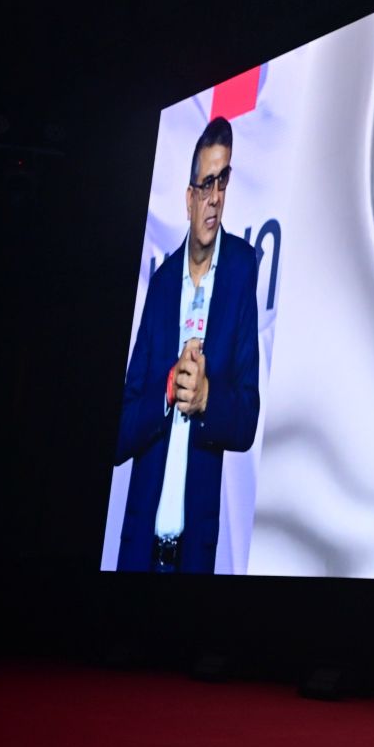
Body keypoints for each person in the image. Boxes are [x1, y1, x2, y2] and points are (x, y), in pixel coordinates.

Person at [112, 116, 261, 574]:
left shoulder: (241, 270)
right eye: (207, 184)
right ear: (189, 197)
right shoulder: (160, 284)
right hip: (139, 554)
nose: (216, 197)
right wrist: (168, 390)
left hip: (193, 558)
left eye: (223, 180)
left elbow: (246, 419)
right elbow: (119, 433)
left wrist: (207, 397)